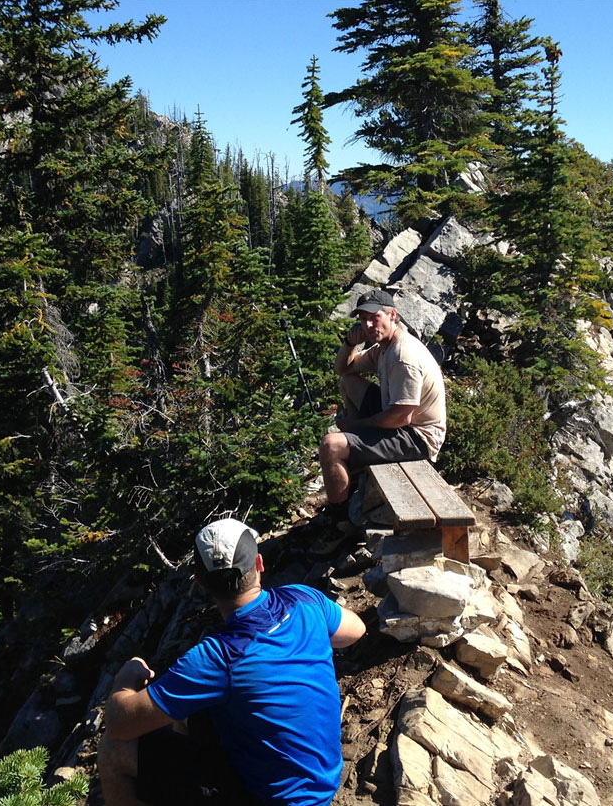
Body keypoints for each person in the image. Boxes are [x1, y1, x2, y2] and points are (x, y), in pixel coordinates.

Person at [99, 518, 366, 806]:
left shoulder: (217, 658)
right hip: (323, 782)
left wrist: (127, 677)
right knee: (199, 713)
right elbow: (356, 630)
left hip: (271, 799)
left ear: (201, 583)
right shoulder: (304, 600)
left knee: (114, 749)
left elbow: (118, 725)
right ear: (260, 563)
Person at [318, 289, 447, 524]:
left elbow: (400, 418)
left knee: (331, 445)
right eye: (363, 319)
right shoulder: (384, 347)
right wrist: (349, 343)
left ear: (392, 315)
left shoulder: (402, 356)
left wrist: (354, 427)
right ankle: (354, 460)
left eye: (374, 317)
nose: (368, 324)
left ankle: (338, 523)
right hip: (399, 422)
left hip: (417, 439)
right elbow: (343, 370)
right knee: (349, 383)